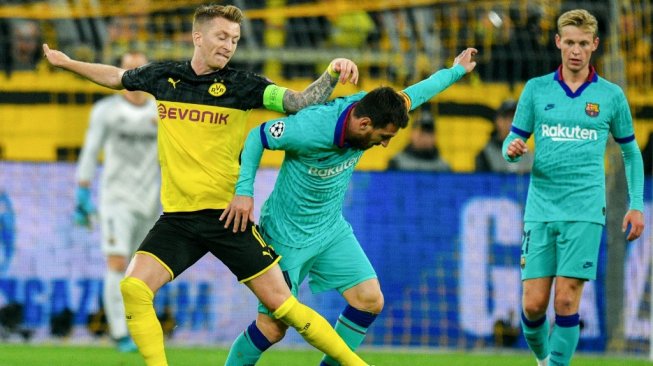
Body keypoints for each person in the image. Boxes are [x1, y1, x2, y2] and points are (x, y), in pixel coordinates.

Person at [43, 4, 369, 366]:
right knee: (133, 287)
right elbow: (117, 76)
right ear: (198, 37)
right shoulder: (163, 77)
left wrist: (331, 72)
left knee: (283, 308)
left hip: (226, 217)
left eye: (235, 40)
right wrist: (67, 63)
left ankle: (356, 365)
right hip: (179, 219)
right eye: (221, 36)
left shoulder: (243, 86)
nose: (229, 45)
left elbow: (299, 102)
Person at [221, 48, 478, 366]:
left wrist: (455, 71)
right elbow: (258, 135)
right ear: (364, 124)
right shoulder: (311, 127)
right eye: (383, 137)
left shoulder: (379, 109)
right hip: (286, 235)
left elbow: (416, 93)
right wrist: (245, 192)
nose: (385, 144)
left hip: (330, 230)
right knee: (272, 329)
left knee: (370, 300)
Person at [502, 9, 644, 366]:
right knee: (532, 306)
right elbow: (510, 144)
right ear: (558, 43)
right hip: (541, 208)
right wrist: (513, 150)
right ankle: (544, 360)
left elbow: (631, 154)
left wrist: (636, 203)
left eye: (583, 43)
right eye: (569, 42)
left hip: (584, 210)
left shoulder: (611, 96)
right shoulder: (536, 89)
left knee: (566, 302)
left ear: (594, 45)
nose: (576, 50)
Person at [73, 50, 158, 353]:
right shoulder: (106, 110)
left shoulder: (162, 112)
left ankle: (137, 328)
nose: (133, 75)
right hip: (116, 200)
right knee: (117, 262)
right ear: (120, 72)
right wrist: (82, 190)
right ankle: (120, 333)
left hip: (152, 203)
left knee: (140, 272)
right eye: (128, 69)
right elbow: (90, 149)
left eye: (139, 69)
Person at [475, 99, 533, 173]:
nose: (513, 122)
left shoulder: (529, 155)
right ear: (498, 121)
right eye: (508, 117)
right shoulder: (485, 155)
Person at [387, 106, 451, 172]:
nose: (425, 136)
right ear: (411, 134)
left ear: (435, 137)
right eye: (421, 132)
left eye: (429, 132)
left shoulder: (444, 167)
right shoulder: (396, 163)